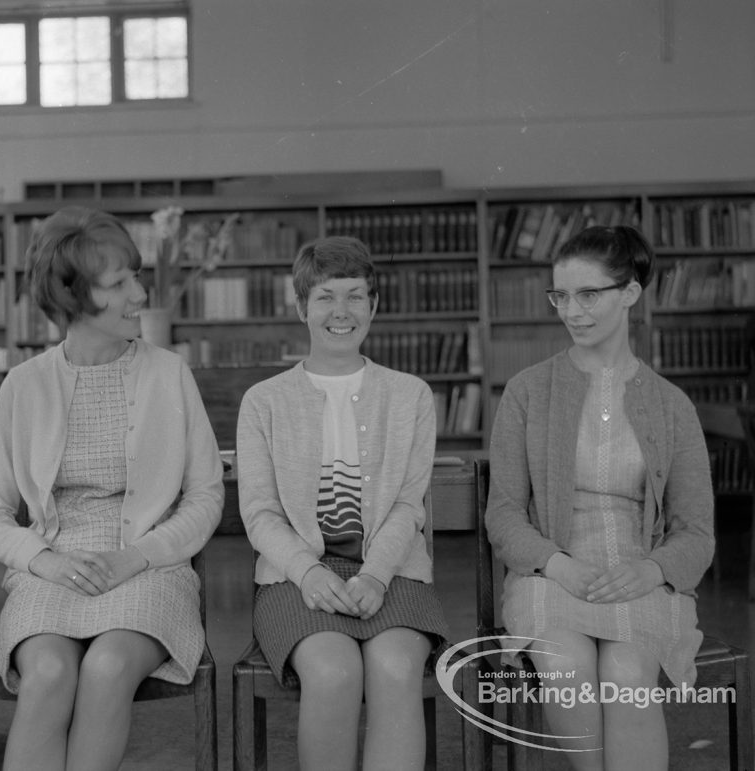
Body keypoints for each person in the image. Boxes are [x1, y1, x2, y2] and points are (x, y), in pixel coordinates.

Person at [0, 205, 224, 771]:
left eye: (135, 275)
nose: (139, 294)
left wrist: (136, 557)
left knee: (108, 669)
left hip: (149, 568)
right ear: (72, 296)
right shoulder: (24, 385)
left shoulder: (169, 374)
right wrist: (44, 562)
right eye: (118, 283)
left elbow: (207, 495)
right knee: (50, 674)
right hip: (51, 571)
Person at [485, 225, 715, 769]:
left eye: (588, 294)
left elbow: (696, 531)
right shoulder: (526, 392)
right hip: (552, 576)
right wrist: (555, 564)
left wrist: (654, 570)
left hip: (638, 579)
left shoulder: (671, 404)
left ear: (630, 292)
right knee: (565, 665)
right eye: (560, 295)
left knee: (628, 673)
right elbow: (505, 513)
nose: (572, 310)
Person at [236, 236, 448, 771]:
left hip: (393, 571)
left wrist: (375, 575)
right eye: (326, 296)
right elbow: (260, 513)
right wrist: (308, 572)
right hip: (294, 578)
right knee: (333, 673)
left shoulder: (410, 395)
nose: (341, 312)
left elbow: (407, 504)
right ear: (301, 305)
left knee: (397, 669)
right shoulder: (263, 401)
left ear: (374, 306)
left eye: (356, 296)